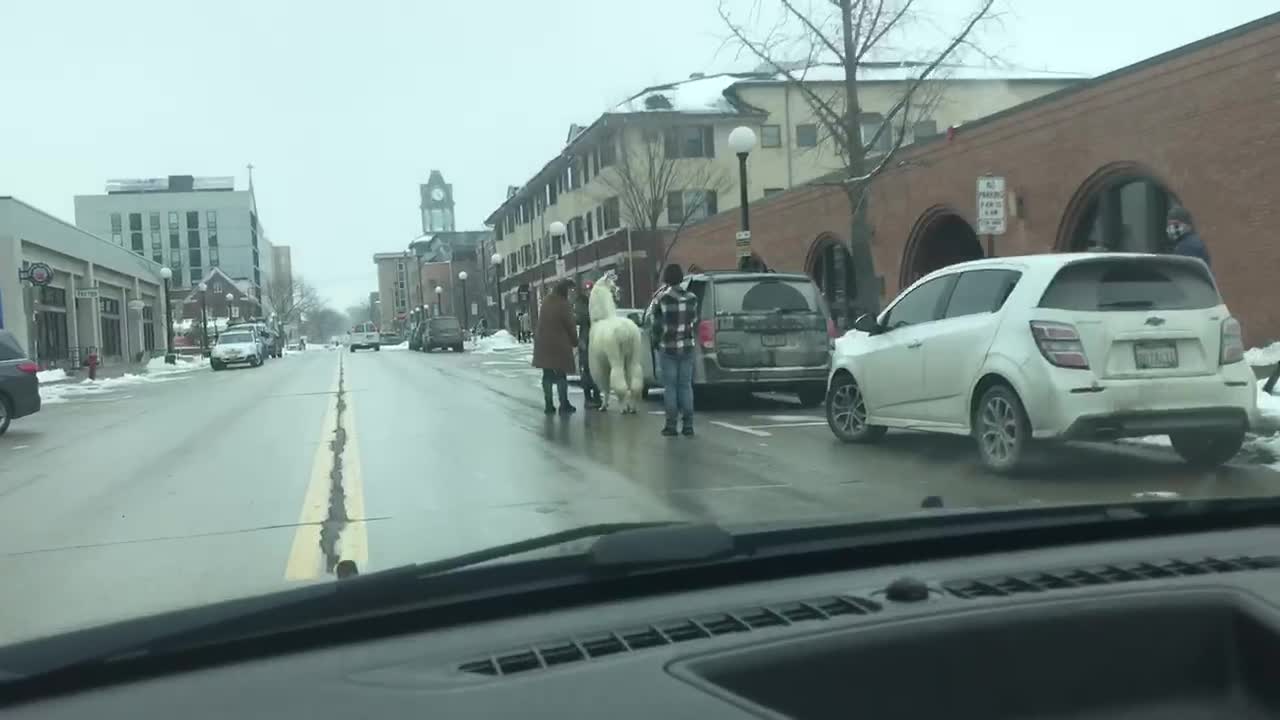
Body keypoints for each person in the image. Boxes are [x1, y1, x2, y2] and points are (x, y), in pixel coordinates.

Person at [651, 263, 699, 436]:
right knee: (685, 386)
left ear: (666, 278)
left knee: (670, 387)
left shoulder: (661, 299)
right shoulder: (692, 298)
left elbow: (655, 326)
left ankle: (671, 425)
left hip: (667, 347)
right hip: (687, 347)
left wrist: (656, 342)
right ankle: (688, 425)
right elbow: (694, 321)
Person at [532, 280, 579, 415]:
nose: (571, 294)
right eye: (570, 291)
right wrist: (575, 341)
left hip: (543, 343)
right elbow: (570, 325)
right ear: (565, 291)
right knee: (560, 375)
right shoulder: (563, 304)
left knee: (547, 375)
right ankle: (563, 404)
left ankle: (548, 405)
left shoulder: (546, 301)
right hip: (559, 344)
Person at [574, 280, 602, 409]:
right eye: (587, 290)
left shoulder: (598, 302)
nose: (589, 292)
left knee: (598, 369)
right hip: (586, 340)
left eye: (591, 289)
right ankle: (588, 397)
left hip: (597, 339)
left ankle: (597, 395)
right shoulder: (581, 303)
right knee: (586, 369)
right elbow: (579, 318)